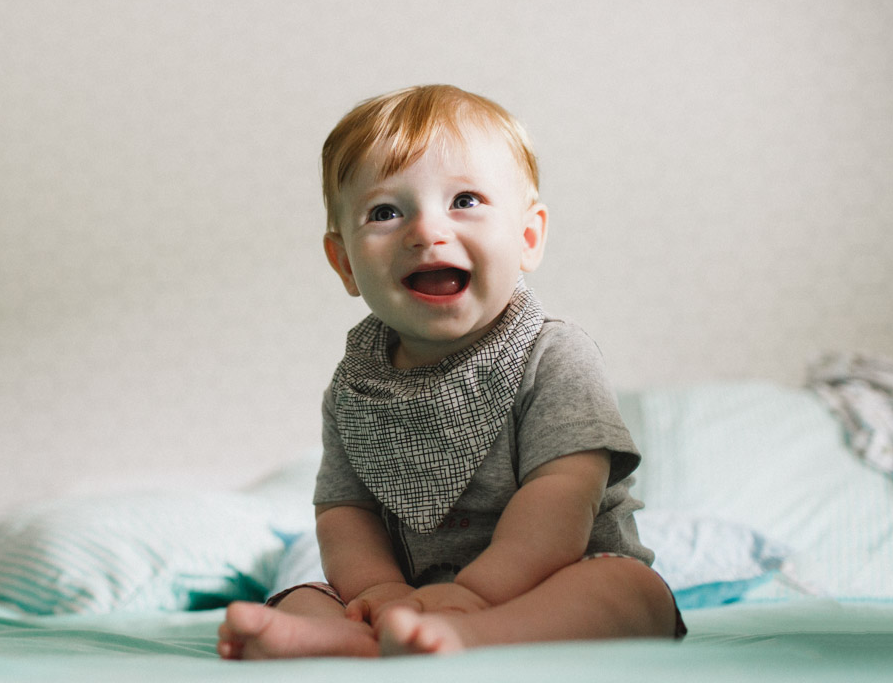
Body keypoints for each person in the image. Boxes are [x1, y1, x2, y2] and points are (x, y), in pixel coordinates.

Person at [218, 85, 684, 659]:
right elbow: (346, 512)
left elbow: (564, 494)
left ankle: (471, 637)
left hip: (553, 578)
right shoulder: (357, 386)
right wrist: (379, 590)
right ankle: (340, 637)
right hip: (411, 600)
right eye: (386, 212)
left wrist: (475, 597)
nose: (426, 231)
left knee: (630, 591)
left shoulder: (553, 354)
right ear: (344, 263)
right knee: (300, 591)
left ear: (528, 237)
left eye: (465, 200)